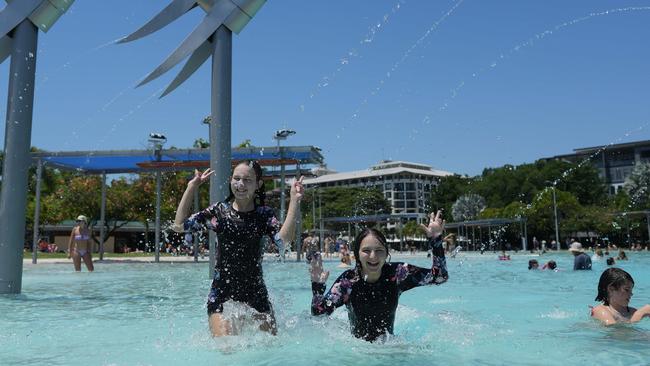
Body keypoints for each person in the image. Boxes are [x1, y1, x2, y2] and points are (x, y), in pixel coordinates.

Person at [172, 162, 304, 337]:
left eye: (248, 180)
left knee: (270, 349)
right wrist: (191, 187)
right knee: (226, 349)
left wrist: (294, 201)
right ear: (231, 181)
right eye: (237, 178)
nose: (241, 184)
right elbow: (179, 226)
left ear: (258, 185)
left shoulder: (264, 215)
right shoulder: (219, 212)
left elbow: (283, 242)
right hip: (221, 293)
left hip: (255, 293)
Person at [308, 212, 448, 342]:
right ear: (356, 255)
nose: (373, 257)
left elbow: (440, 277)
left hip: (390, 348)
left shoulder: (398, 274)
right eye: (366, 251)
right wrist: (317, 287)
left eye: (379, 251)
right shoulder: (348, 282)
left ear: (387, 254)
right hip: (357, 351)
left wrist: (435, 240)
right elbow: (319, 313)